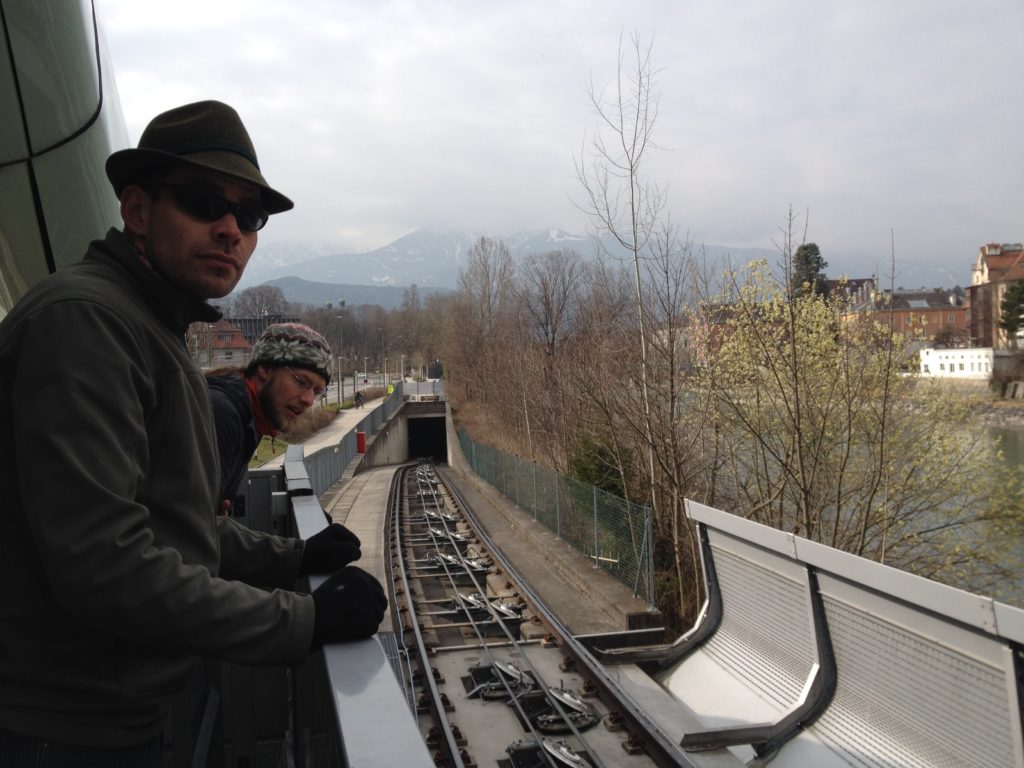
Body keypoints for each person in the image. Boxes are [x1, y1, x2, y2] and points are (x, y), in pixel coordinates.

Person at [0, 100, 386, 766]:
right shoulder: (87, 324)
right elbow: (107, 565)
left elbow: (170, 524)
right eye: (204, 200)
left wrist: (292, 560)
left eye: (251, 215)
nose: (230, 228)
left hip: (105, 715)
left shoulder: (151, 327)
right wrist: (303, 619)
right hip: (61, 729)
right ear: (138, 210)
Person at [207, 321, 335, 509]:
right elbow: (194, 528)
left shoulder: (251, 417)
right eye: (301, 382)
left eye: (317, 391)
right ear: (265, 368)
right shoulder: (222, 414)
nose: (309, 400)